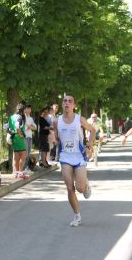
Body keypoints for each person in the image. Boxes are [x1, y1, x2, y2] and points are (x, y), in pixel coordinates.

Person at [54, 94, 95, 227]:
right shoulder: (57, 121)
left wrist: (89, 145)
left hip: (78, 156)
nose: (67, 103)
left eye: (70, 101)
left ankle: (86, 184)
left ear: (74, 105)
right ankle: (77, 216)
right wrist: (55, 141)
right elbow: (57, 138)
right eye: (65, 101)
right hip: (65, 157)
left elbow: (93, 130)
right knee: (70, 188)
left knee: (80, 188)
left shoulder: (80, 119)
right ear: (62, 104)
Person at [8, 103, 27, 178]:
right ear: (23, 110)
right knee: (23, 155)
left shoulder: (11, 117)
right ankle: (20, 172)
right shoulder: (20, 117)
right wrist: (20, 134)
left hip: (13, 137)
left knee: (16, 156)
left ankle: (16, 172)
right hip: (19, 138)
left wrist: (12, 133)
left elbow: (6, 127)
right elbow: (17, 125)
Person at [23, 104, 37, 172]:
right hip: (24, 137)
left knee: (28, 153)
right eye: (27, 108)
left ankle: (26, 167)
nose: (29, 110)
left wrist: (30, 126)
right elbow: (24, 128)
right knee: (25, 153)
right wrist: (29, 127)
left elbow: (35, 127)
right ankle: (23, 168)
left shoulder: (31, 118)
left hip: (30, 137)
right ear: (24, 109)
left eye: (30, 108)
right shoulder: (22, 118)